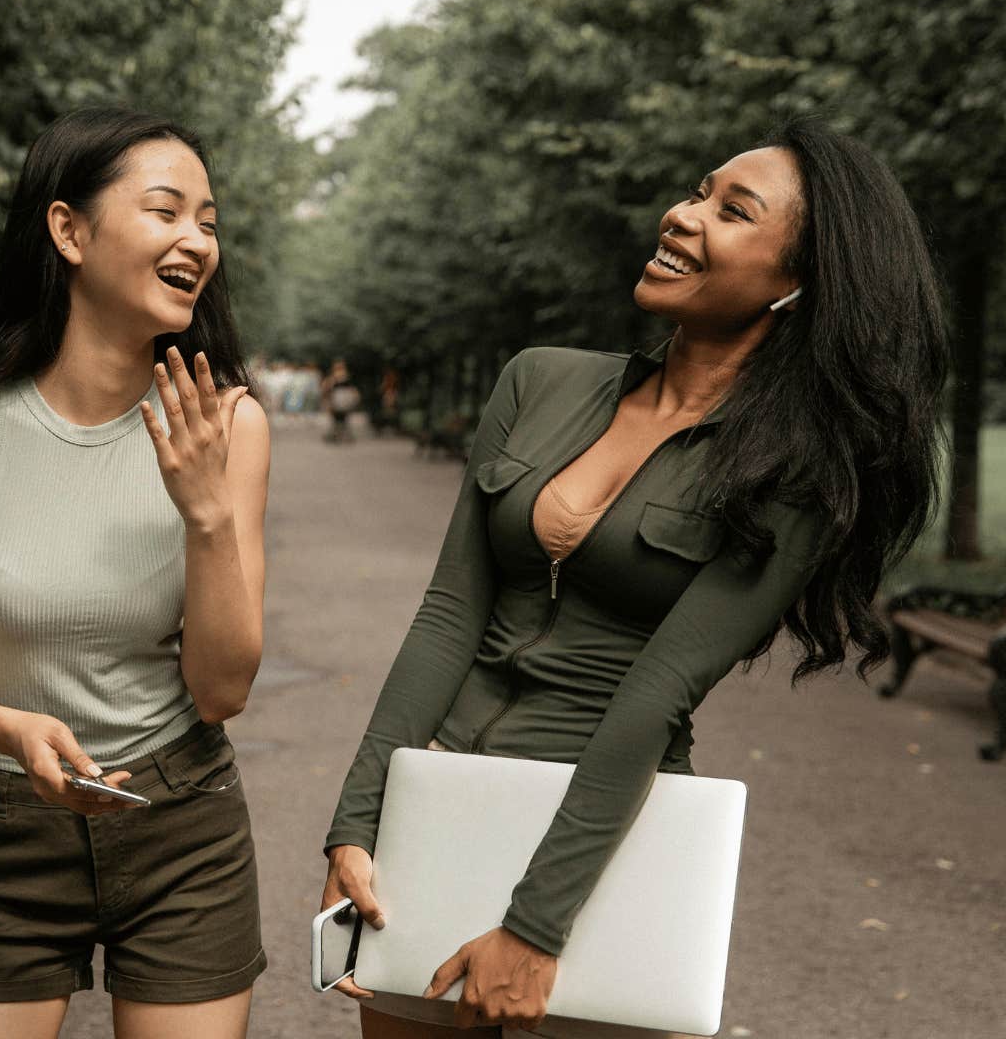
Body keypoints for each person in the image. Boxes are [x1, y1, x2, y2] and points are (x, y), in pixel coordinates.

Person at [320, 120, 948, 1038]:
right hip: (443, 802)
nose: (683, 216)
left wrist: (536, 925)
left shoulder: (798, 468)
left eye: (731, 212)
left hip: (605, 847)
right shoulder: (539, 381)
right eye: (697, 190)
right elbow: (449, 614)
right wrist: (358, 820)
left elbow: (658, 691)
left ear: (795, 284)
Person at [0, 106, 272, 1039]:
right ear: (68, 230)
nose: (197, 239)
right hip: (0, 827)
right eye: (166, 211)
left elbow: (223, 687)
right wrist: (7, 725)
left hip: (182, 824)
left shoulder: (227, 427)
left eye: (209, 220)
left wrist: (205, 511)